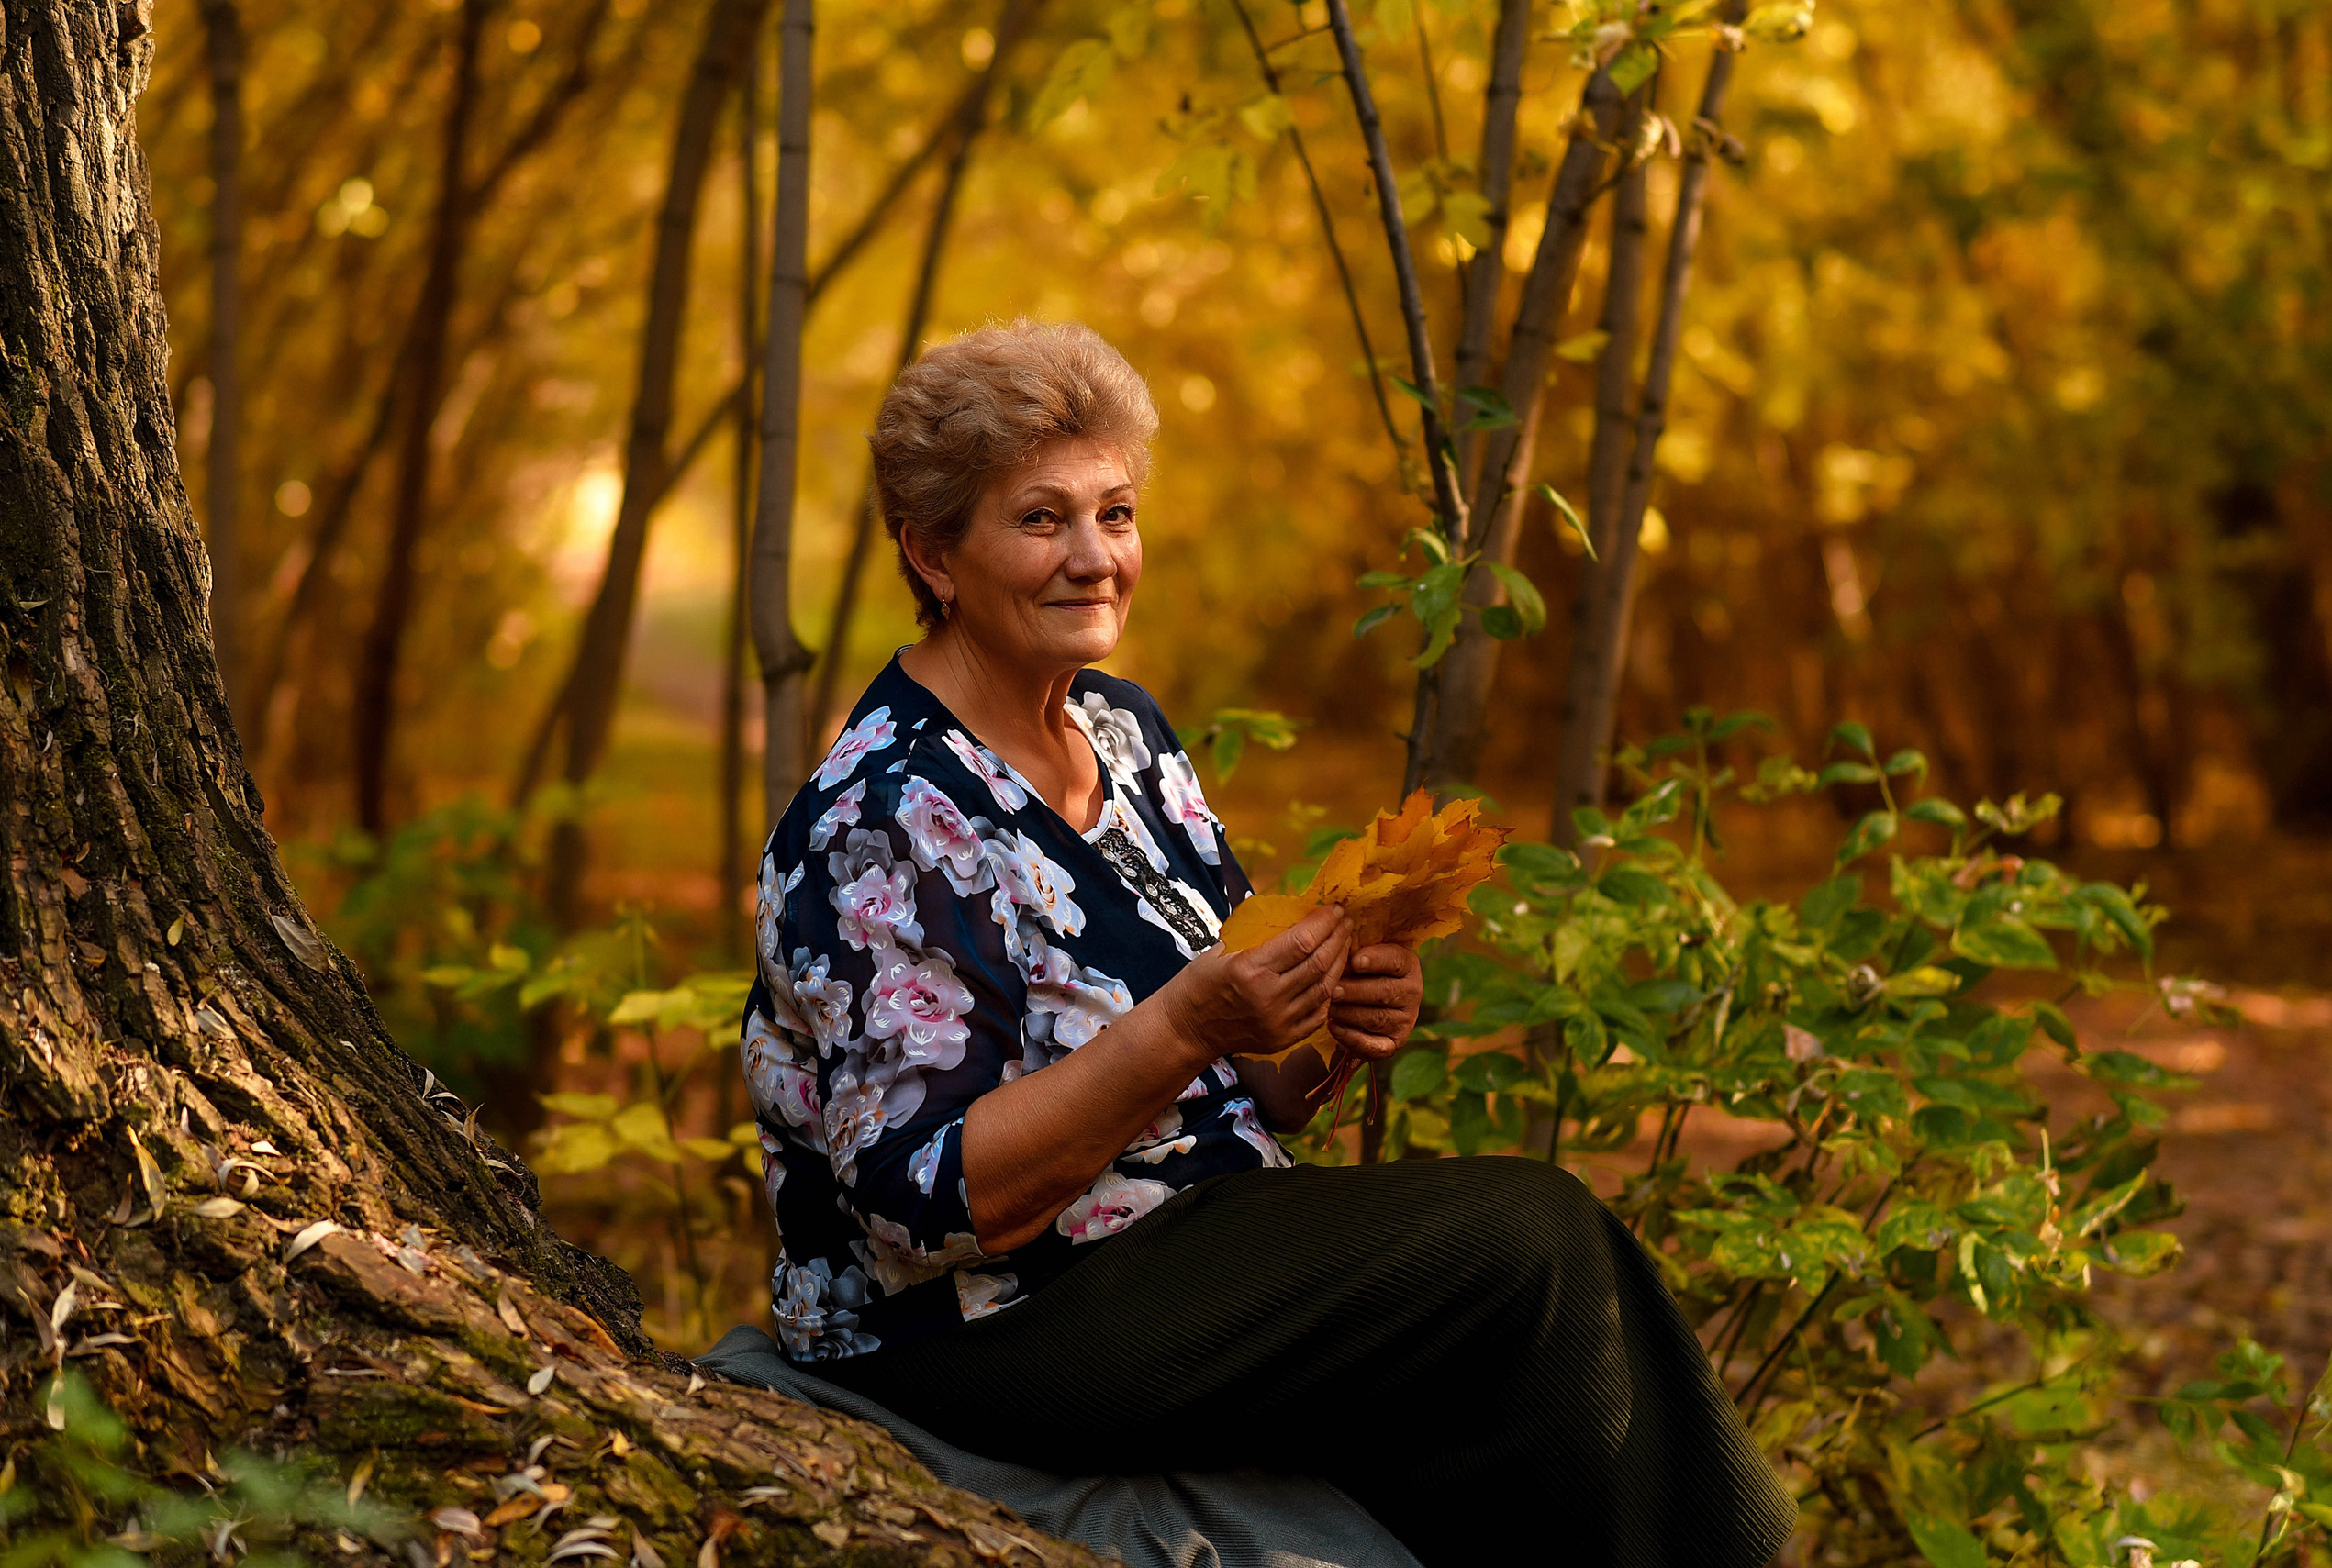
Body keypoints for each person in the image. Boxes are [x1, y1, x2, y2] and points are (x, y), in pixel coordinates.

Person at [739, 319, 1794, 1567]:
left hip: (1185, 1244)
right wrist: (1187, 1023)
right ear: (933, 552)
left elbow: (1253, 1082)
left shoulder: (1127, 738)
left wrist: (1327, 1029)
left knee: (1507, 1373)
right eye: (1041, 520)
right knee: (1527, 1240)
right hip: (981, 1326)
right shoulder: (881, 816)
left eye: (1116, 513)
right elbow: (921, 1205)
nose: (1095, 558)